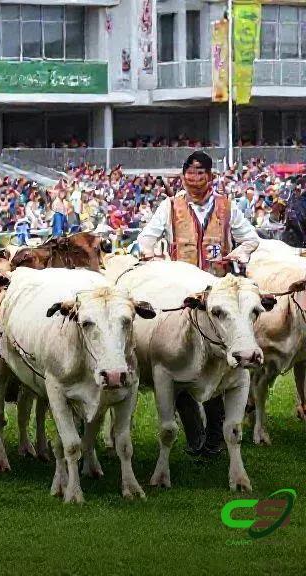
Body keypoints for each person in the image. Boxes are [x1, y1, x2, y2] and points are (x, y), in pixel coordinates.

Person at [136, 150, 261, 459]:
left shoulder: (227, 207)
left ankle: (215, 436)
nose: (194, 179)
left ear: (210, 177)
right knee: (178, 360)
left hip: (220, 296)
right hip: (183, 296)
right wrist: (154, 256)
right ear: (183, 177)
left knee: (220, 364)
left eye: (200, 173)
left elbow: (251, 239)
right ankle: (195, 431)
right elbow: (145, 239)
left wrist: (236, 256)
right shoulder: (170, 206)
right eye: (189, 174)